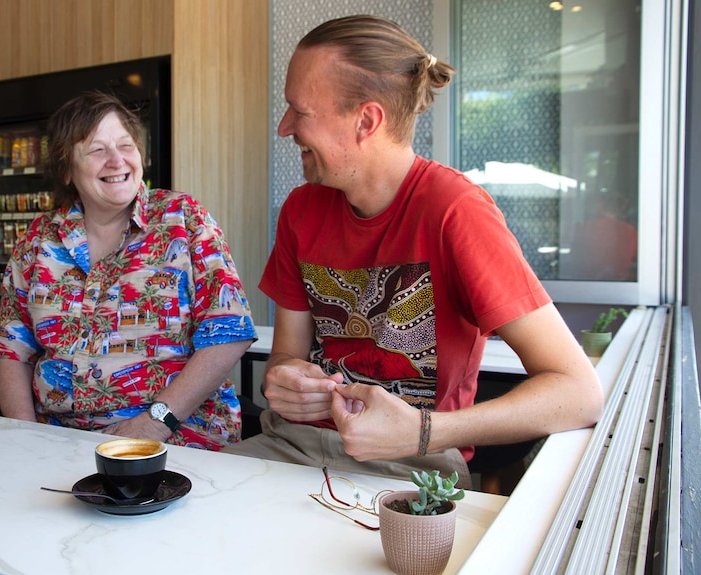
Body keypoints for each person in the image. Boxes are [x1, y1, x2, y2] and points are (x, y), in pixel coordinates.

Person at [224, 15, 603, 488]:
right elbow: (285, 359)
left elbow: (580, 392)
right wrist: (283, 383)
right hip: (287, 450)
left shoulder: (457, 212)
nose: (285, 128)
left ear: (366, 120)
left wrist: (425, 432)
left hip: (412, 470)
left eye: (299, 111)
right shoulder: (301, 208)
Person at [0, 91, 256, 450]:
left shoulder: (182, 220)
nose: (116, 161)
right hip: (58, 440)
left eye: (125, 145)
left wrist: (155, 422)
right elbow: (12, 350)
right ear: (67, 169)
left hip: (177, 434)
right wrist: (23, 439)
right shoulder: (37, 241)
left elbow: (229, 332)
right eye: (97, 150)